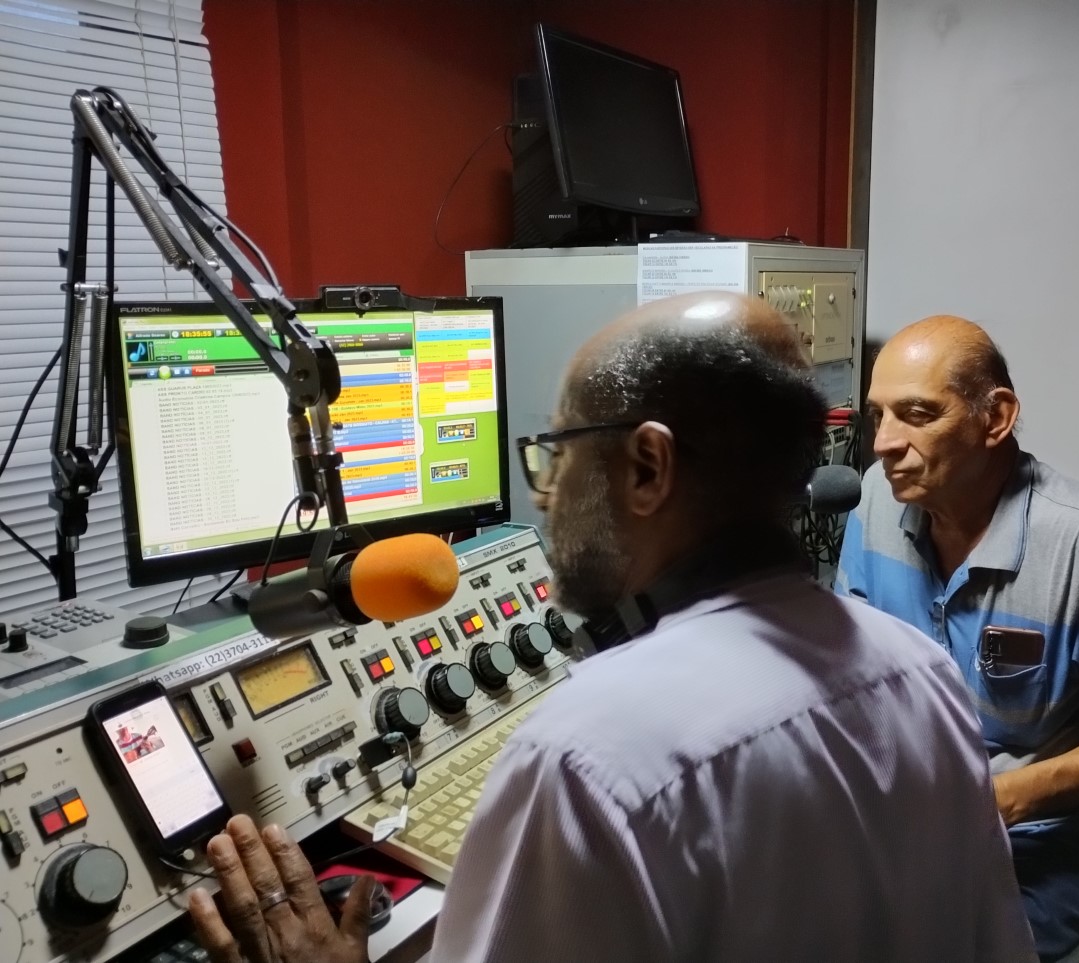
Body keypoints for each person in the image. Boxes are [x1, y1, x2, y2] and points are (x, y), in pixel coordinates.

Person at [189, 293, 1035, 962]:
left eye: (558, 453)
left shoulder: (589, 755)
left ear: (646, 466)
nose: (546, 491)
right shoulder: (918, 668)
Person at [836, 314, 1079, 961]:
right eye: (877, 416)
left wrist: (1003, 799)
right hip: (905, 820)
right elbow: (853, 671)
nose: (885, 442)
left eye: (916, 414)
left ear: (996, 417)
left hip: (1042, 841)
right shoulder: (875, 504)